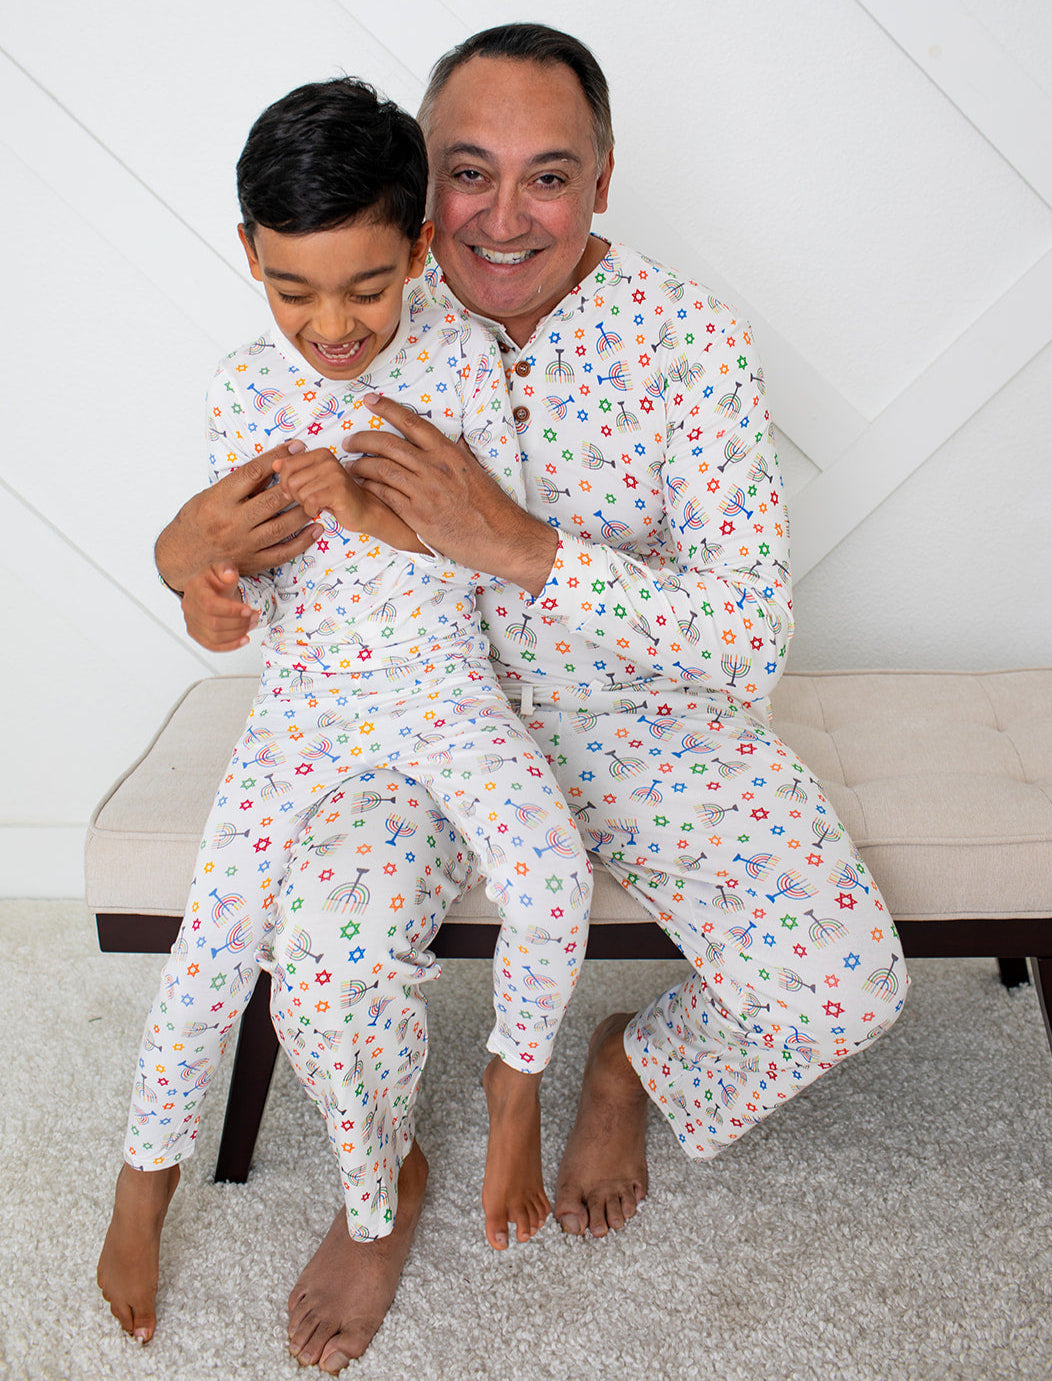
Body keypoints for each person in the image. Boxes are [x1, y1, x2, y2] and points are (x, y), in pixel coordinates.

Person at [151, 23, 909, 1373]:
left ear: (605, 179)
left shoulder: (691, 342)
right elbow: (249, 578)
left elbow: (747, 637)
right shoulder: (353, 317)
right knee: (320, 953)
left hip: (646, 722)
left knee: (845, 981)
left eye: (547, 176)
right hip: (415, 723)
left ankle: (631, 1064)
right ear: (411, 182)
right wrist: (203, 576)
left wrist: (519, 545)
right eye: (467, 173)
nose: (504, 217)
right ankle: (378, 1182)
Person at [97, 75, 595, 1364]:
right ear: (250, 254)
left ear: (419, 247)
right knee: (211, 949)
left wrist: (383, 517)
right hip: (307, 708)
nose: (332, 327)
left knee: (551, 880)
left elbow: (497, 565)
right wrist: (214, 603)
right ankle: (142, 1180)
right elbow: (245, 596)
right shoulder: (241, 392)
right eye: (293, 291)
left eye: (366, 288)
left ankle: (510, 1086)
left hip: (445, 697)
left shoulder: (464, 362)